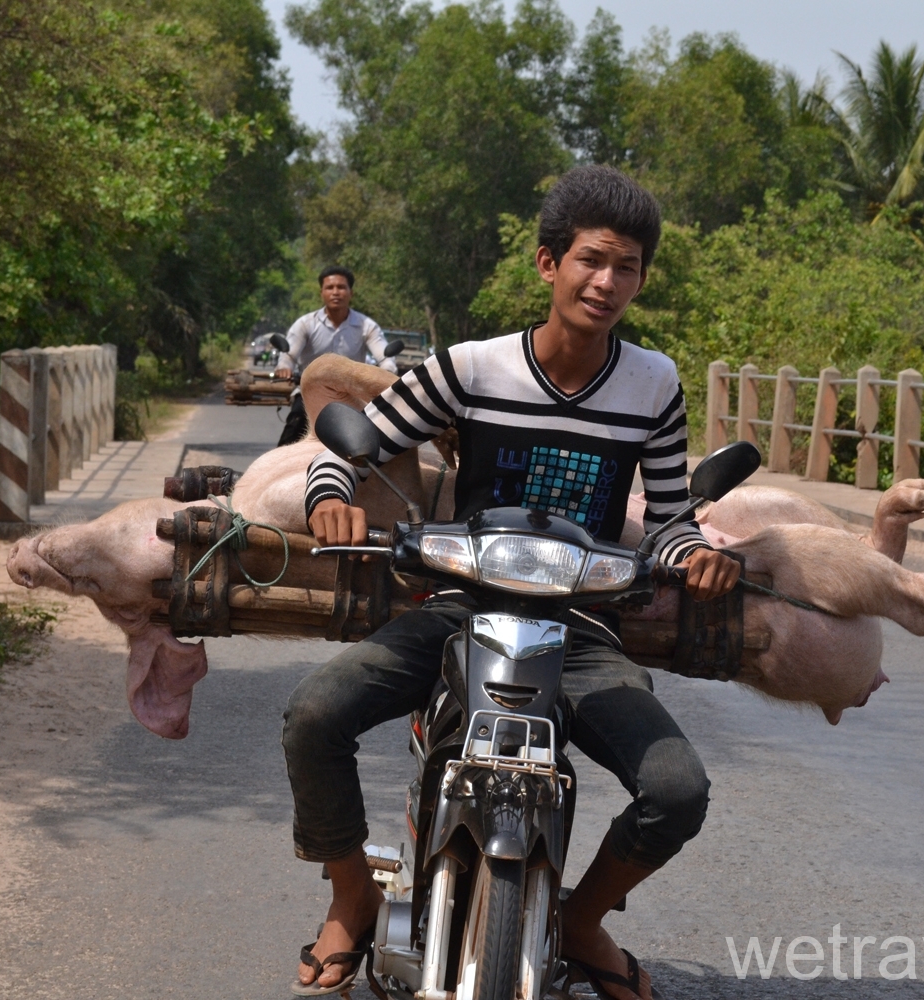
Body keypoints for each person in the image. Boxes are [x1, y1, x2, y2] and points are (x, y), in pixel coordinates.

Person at [284, 166, 741, 1000]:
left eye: (628, 267)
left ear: (641, 280)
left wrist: (698, 555)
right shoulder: (472, 367)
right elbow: (345, 449)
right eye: (592, 260)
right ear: (548, 263)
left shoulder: (653, 383)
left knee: (679, 790)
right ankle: (351, 898)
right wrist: (329, 501)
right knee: (314, 716)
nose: (607, 282)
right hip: (457, 607)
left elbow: (672, 520)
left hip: (582, 628)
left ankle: (582, 920)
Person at [275, 266, 397, 447]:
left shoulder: (366, 326)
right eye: (330, 288)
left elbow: (385, 357)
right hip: (310, 391)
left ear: (351, 292)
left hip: (354, 393)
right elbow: (289, 354)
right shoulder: (306, 324)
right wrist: (284, 367)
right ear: (321, 293)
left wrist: (387, 372)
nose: (335, 292)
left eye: (341, 287)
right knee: (296, 420)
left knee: (383, 436)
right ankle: (281, 462)